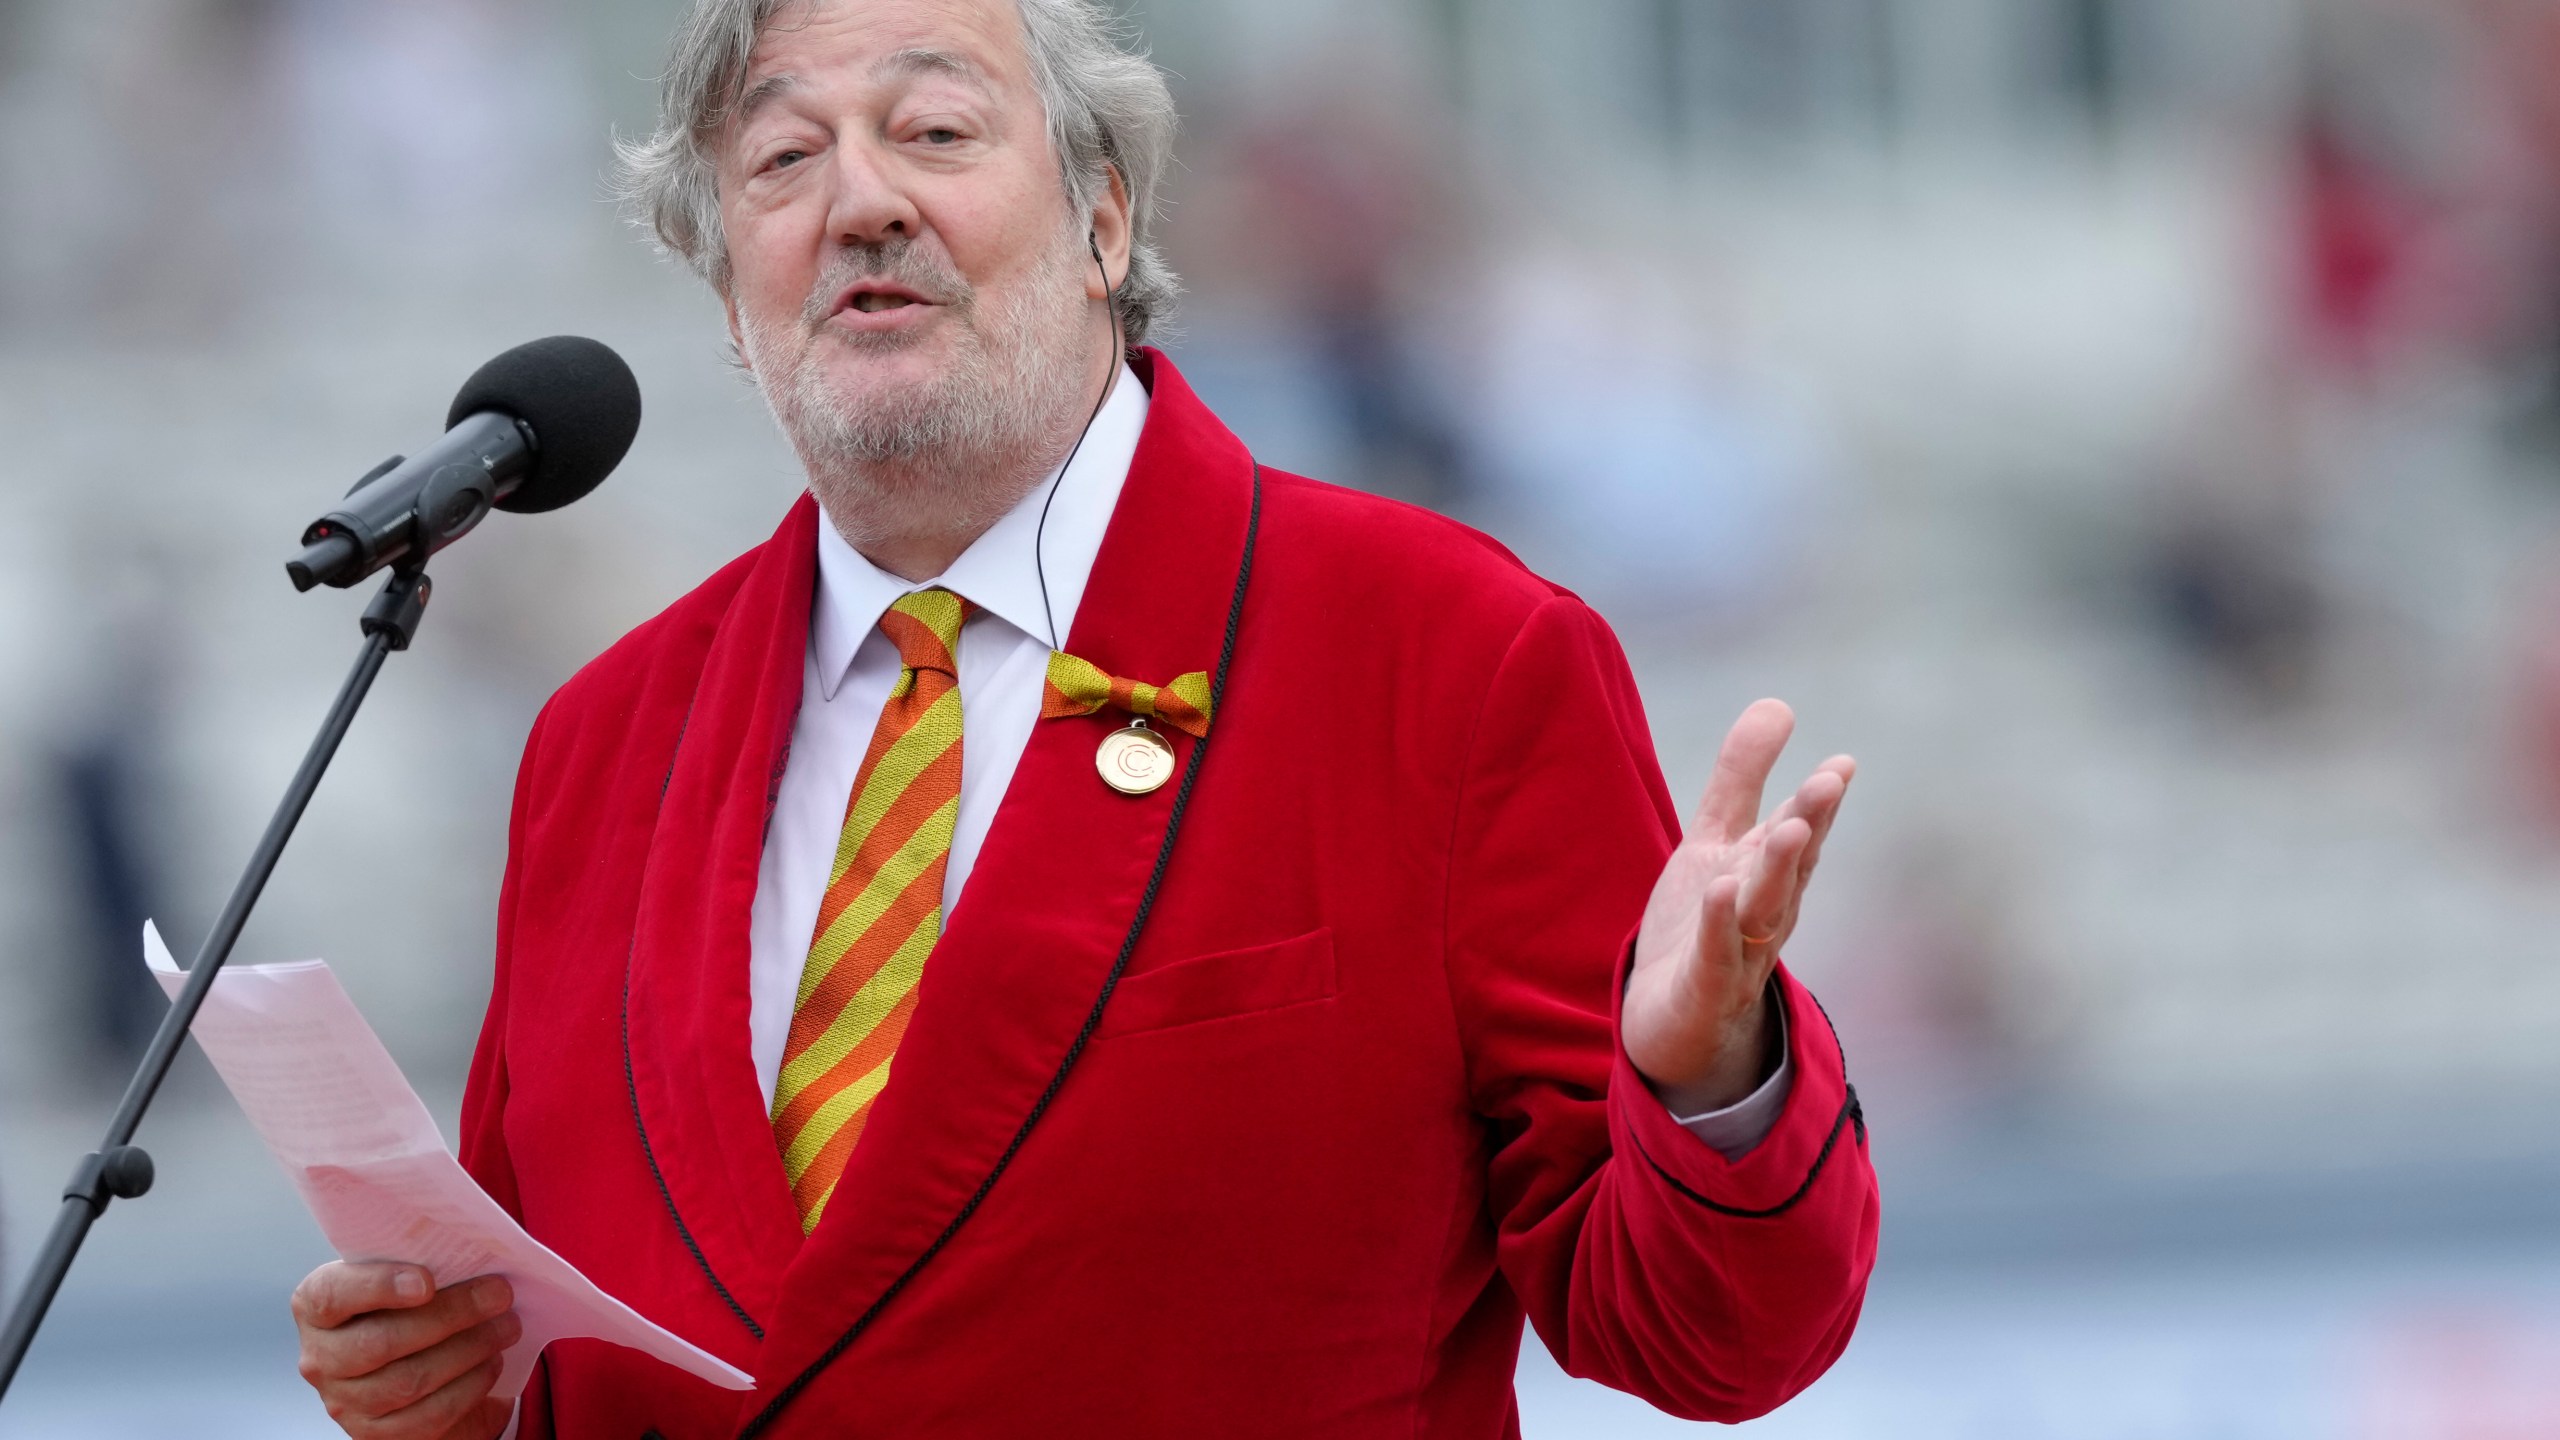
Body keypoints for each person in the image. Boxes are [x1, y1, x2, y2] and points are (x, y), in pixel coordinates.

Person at [285, 1, 1878, 1436]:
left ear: (1104, 216)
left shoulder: (1444, 652)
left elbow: (1713, 1343)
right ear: (727, 292)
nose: (861, 201)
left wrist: (1713, 1083)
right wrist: (451, 1395)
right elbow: (575, 1319)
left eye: (936, 131)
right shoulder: (603, 741)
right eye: (780, 161)